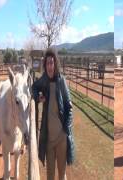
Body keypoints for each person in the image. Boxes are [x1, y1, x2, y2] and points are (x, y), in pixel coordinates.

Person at [32, 49, 74, 180]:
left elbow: (69, 107)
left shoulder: (61, 81)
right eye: (47, 63)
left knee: (61, 174)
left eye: (52, 63)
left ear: (55, 64)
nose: (50, 66)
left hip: (61, 139)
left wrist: (66, 131)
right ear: (45, 65)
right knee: (50, 175)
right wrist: (38, 97)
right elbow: (34, 87)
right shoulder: (44, 80)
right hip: (49, 139)